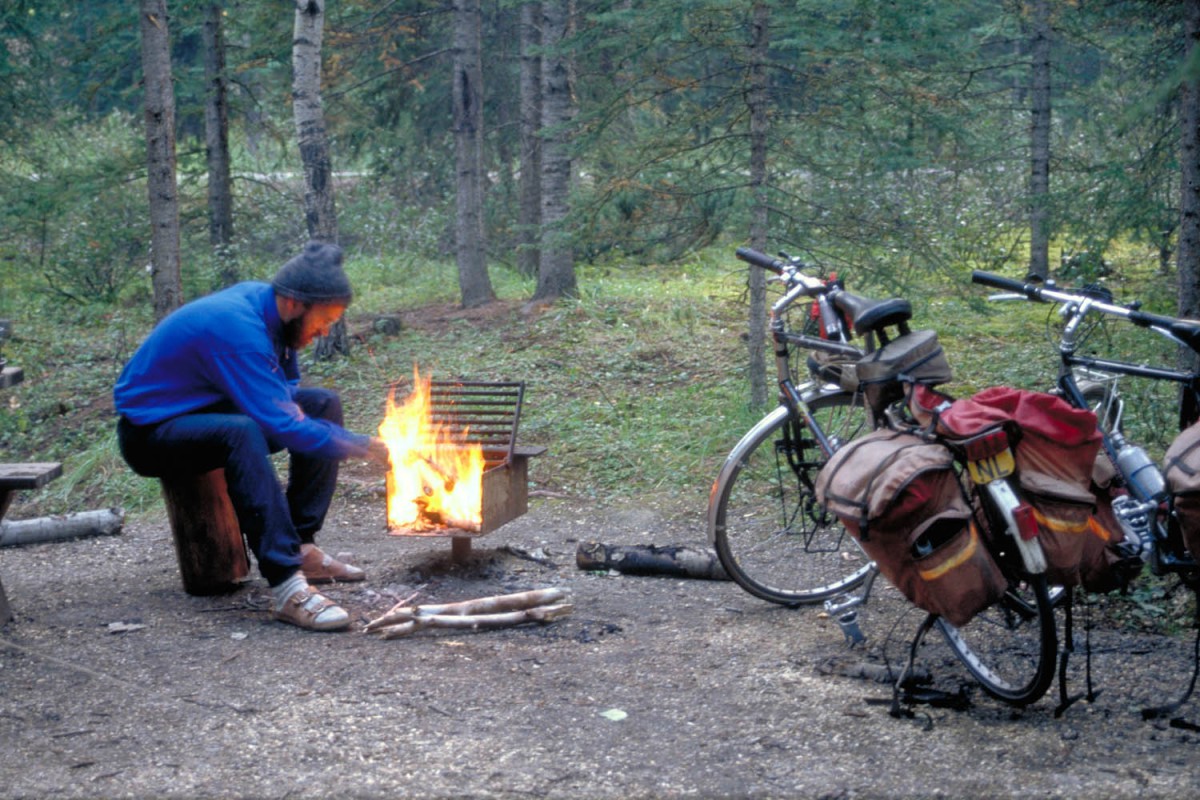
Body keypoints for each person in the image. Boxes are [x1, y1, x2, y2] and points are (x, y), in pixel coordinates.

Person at [114, 241, 389, 632]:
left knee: (322, 403)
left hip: (208, 410)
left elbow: (287, 393)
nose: (325, 330)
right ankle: (287, 586)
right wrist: (363, 447)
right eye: (324, 319)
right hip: (153, 433)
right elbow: (284, 425)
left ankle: (301, 543)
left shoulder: (273, 311)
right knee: (241, 433)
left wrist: (336, 436)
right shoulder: (238, 330)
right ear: (295, 304)